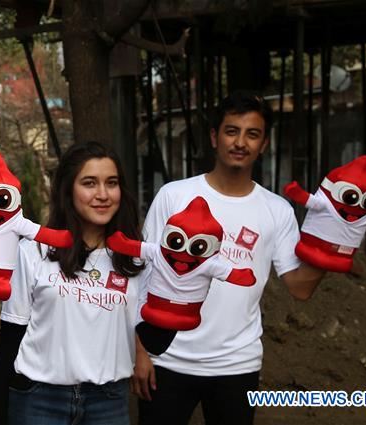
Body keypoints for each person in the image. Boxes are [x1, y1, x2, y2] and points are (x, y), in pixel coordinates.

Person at [135, 91, 326, 425]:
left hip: (237, 365)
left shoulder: (277, 210)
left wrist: (332, 243)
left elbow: (300, 288)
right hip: (168, 358)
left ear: (264, 143)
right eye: (231, 131)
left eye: (252, 134)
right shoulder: (174, 195)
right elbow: (142, 278)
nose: (241, 142)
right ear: (214, 137)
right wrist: (139, 352)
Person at [0, 142, 147, 425]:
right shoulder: (35, 250)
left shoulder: (135, 259)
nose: (102, 194)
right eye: (89, 183)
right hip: (38, 400)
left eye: (111, 183)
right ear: (68, 190)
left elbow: (150, 334)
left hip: (108, 403)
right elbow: (10, 336)